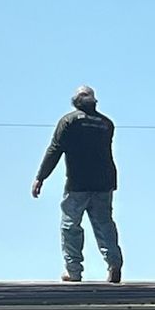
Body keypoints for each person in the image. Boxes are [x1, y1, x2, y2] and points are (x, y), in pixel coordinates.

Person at [33, 85, 124, 283]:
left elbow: (54, 150)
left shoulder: (69, 121)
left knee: (70, 225)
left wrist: (41, 177)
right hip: (104, 181)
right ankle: (114, 263)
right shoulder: (106, 124)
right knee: (104, 224)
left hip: (78, 182)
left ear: (75, 101)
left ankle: (73, 271)